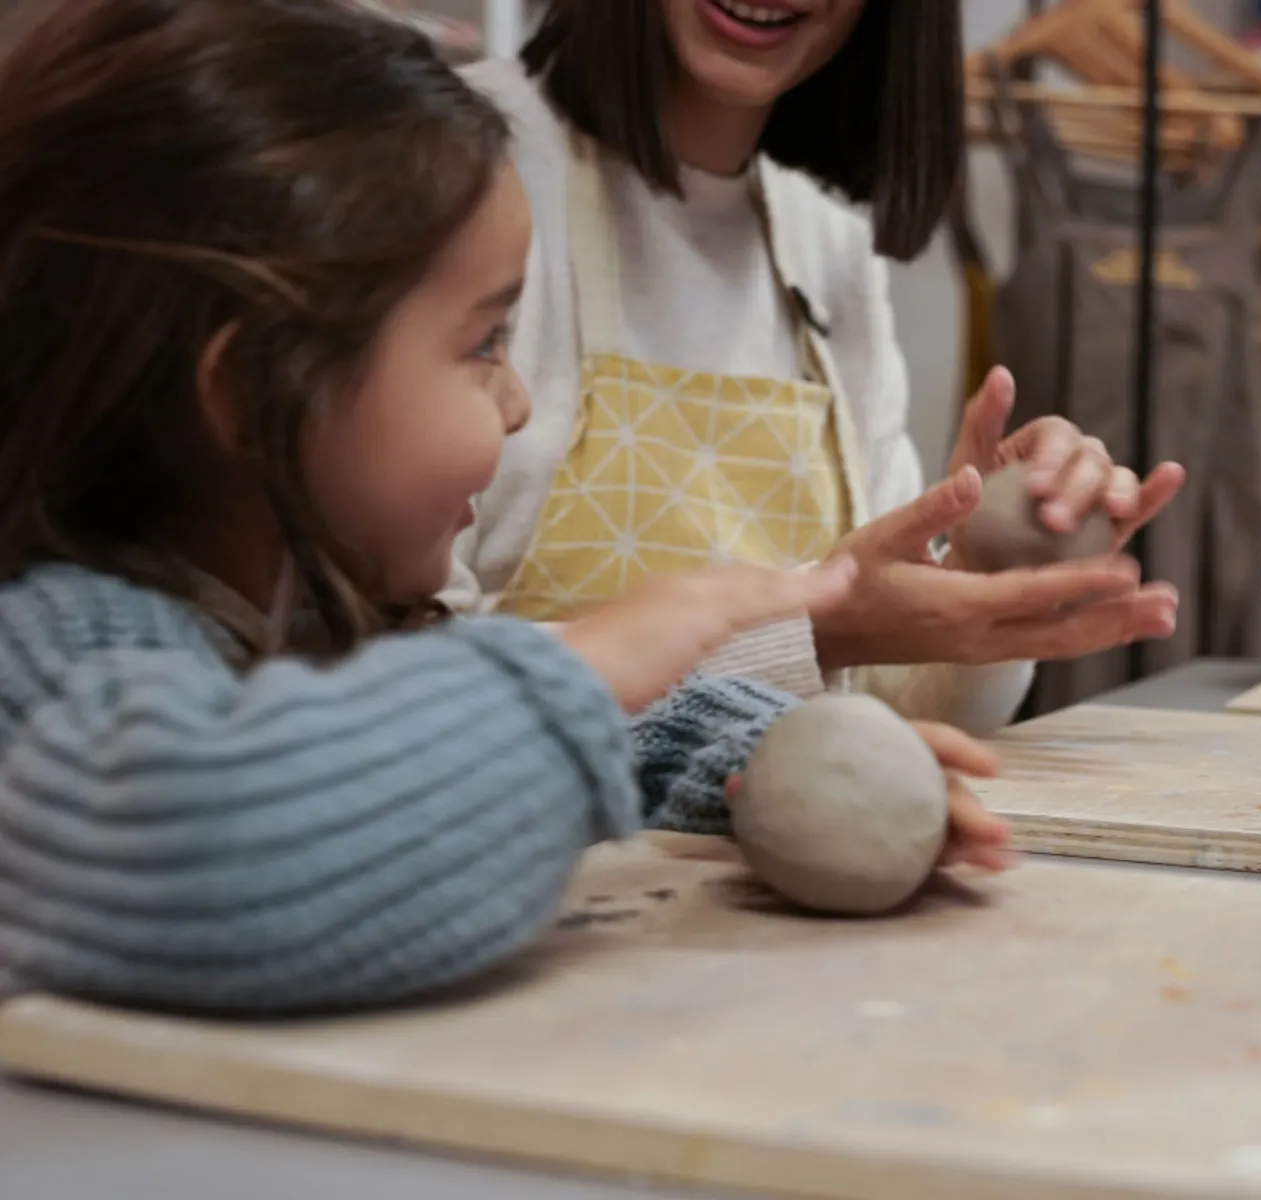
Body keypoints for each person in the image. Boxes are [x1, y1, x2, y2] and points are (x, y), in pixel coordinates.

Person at [0, 0, 1009, 1016]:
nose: (517, 399)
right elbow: (224, 857)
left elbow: (434, 729)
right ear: (254, 391)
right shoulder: (49, 658)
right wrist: (590, 662)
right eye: (485, 346)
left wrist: (765, 763)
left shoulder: (317, 622)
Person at [449, 0, 1187, 736]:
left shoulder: (827, 244)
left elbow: (888, 704)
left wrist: (981, 571)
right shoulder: (451, 163)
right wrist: (816, 627)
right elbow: (385, 679)